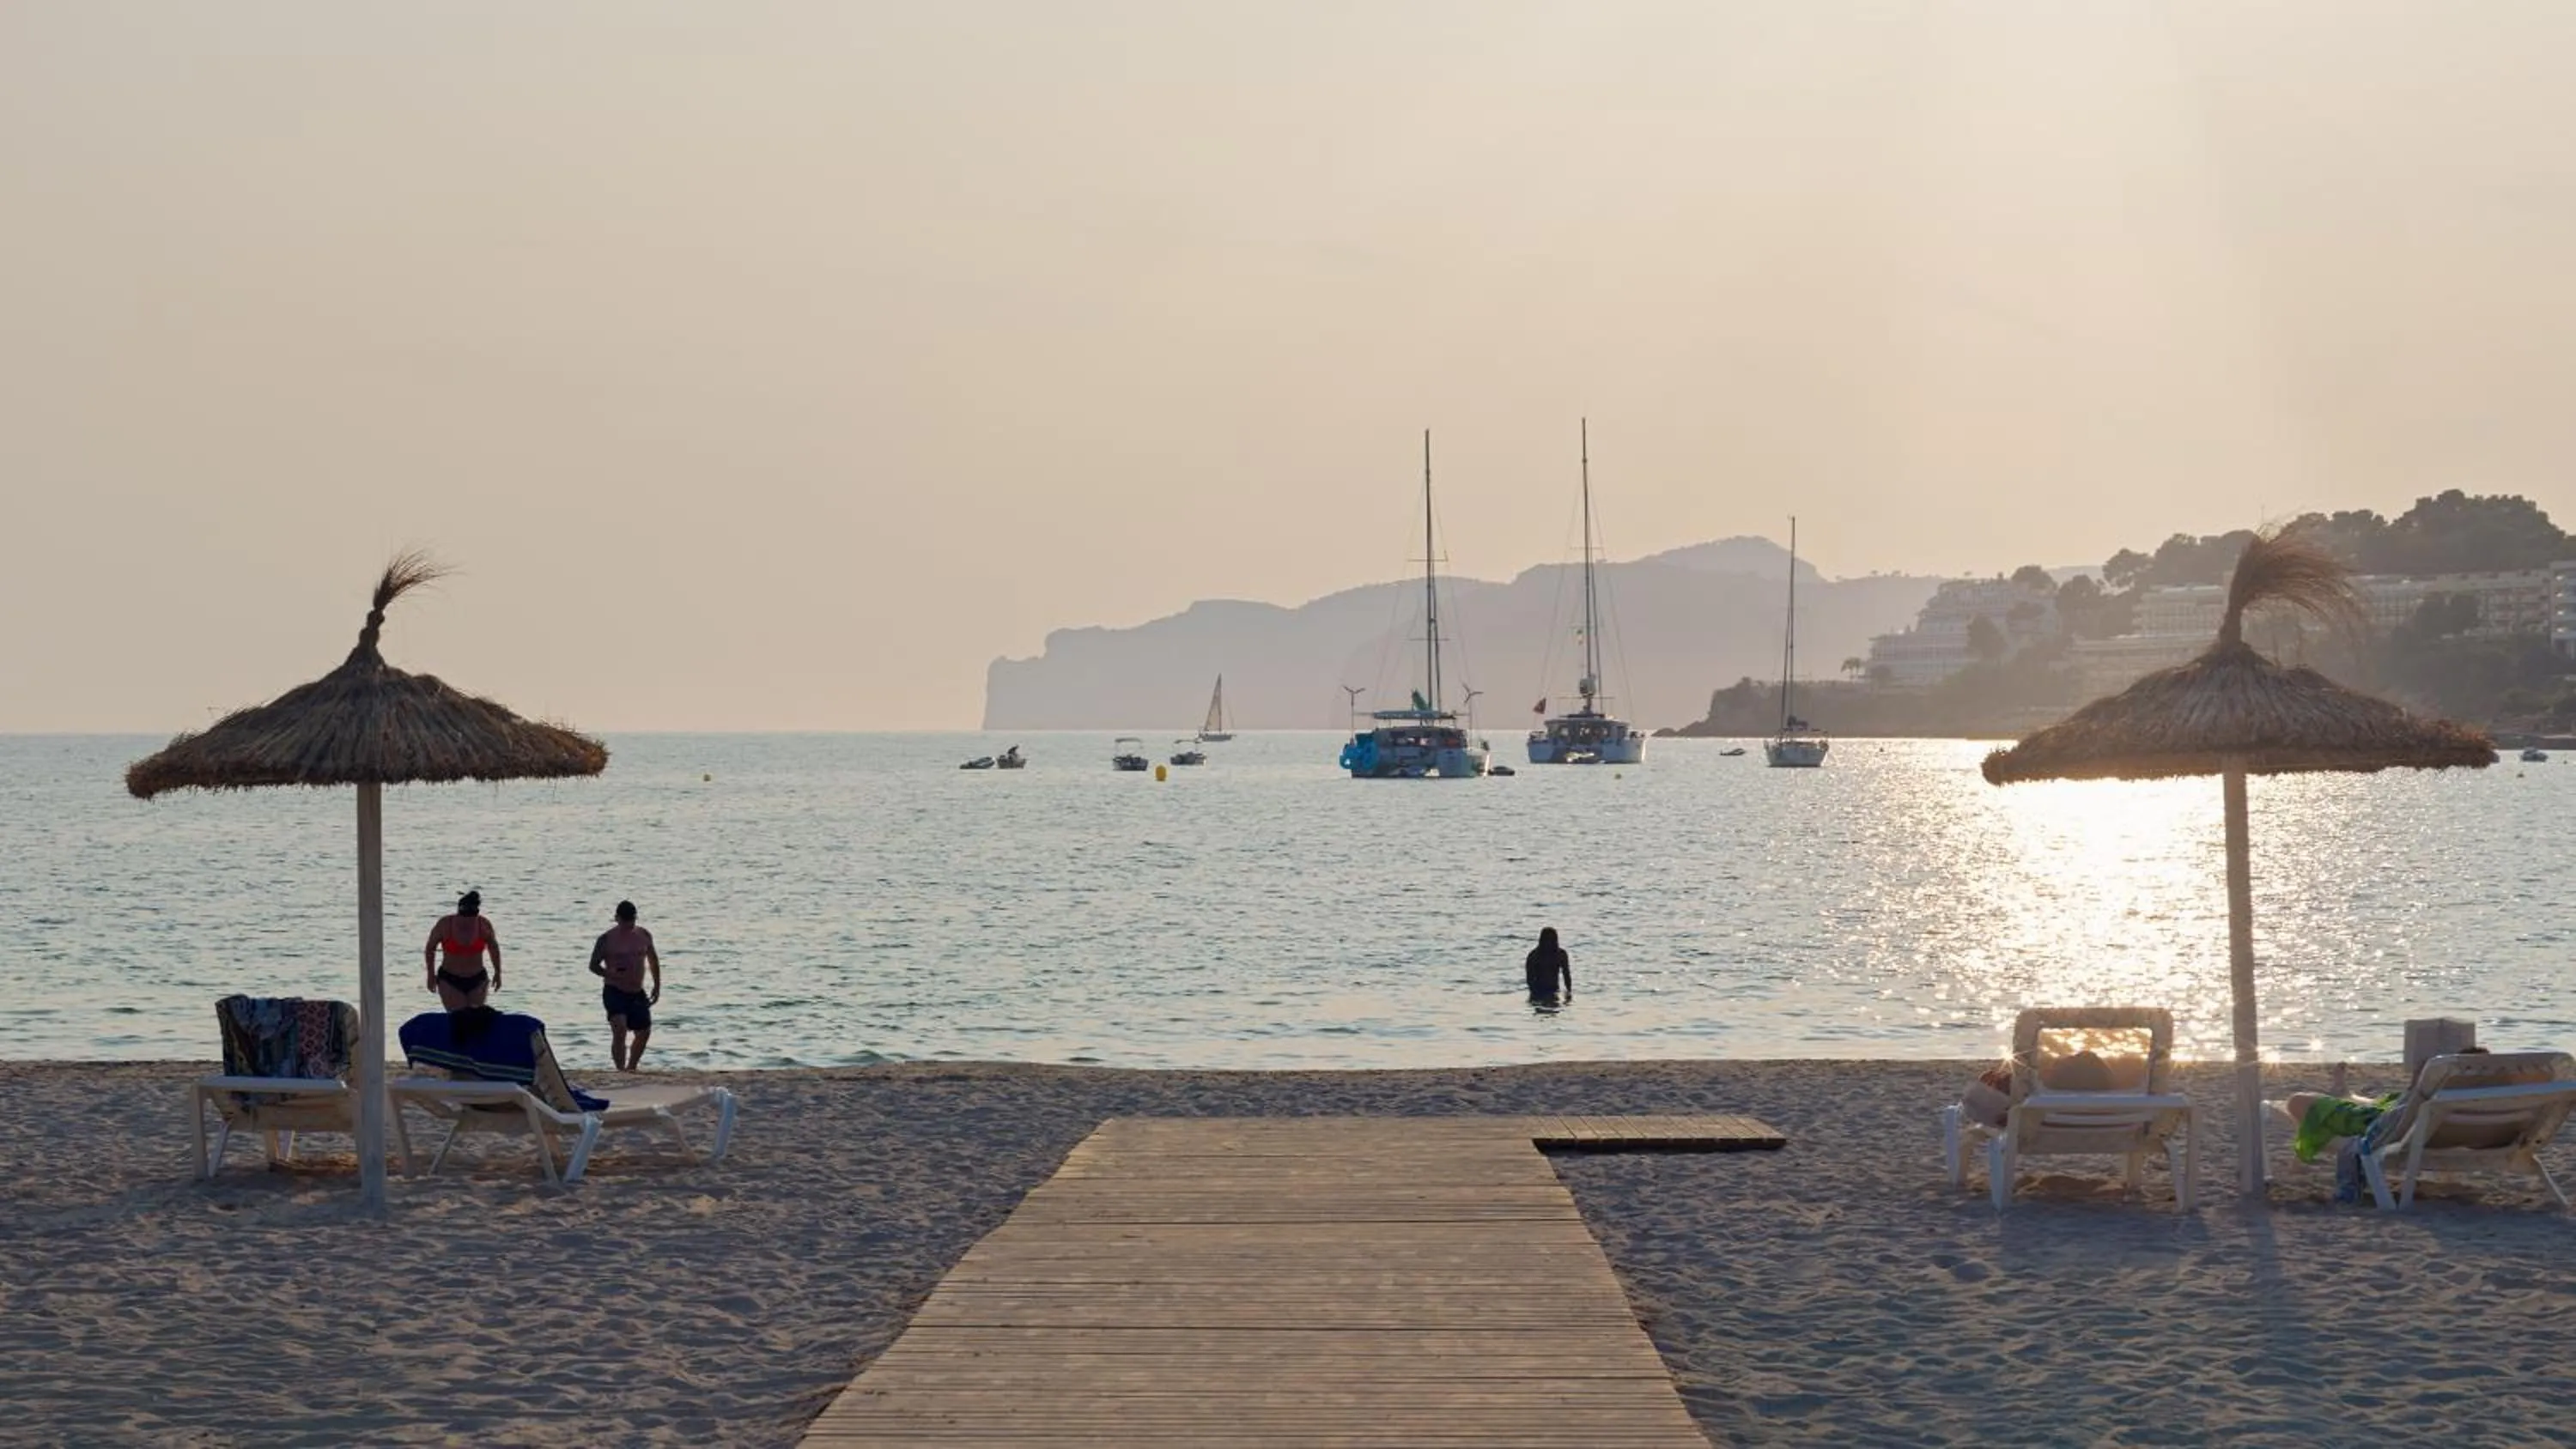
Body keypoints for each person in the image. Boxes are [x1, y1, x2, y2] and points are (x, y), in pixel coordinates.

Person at [589, 900, 662, 1070]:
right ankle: (620, 1069)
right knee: (620, 1028)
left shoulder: (644, 935)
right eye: (625, 921)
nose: (629, 925)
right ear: (617, 919)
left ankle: (632, 1067)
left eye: (632, 921)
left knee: (644, 1031)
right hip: (614, 990)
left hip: (636, 990)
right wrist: (610, 973)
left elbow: (653, 960)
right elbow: (593, 965)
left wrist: (657, 985)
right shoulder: (606, 939)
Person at [423, 890, 501, 1010]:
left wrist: (498, 972)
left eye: (471, 919)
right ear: (459, 914)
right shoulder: (445, 924)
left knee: (476, 1019)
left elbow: (494, 947)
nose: (467, 923)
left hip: (477, 978)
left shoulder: (483, 925)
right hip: (450, 979)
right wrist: (430, 974)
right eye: (464, 919)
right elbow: (430, 948)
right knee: (459, 1017)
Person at [1524, 926, 1571, 1003]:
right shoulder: (1534, 955)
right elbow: (1529, 977)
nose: (1549, 942)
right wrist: (1534, 992)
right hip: (1538, 990)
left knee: (1554, 1011)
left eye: (1552, 940)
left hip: (1553, 989)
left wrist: (1569, 992)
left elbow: (1566, 974)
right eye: (1547, 940)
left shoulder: (1561, 954)